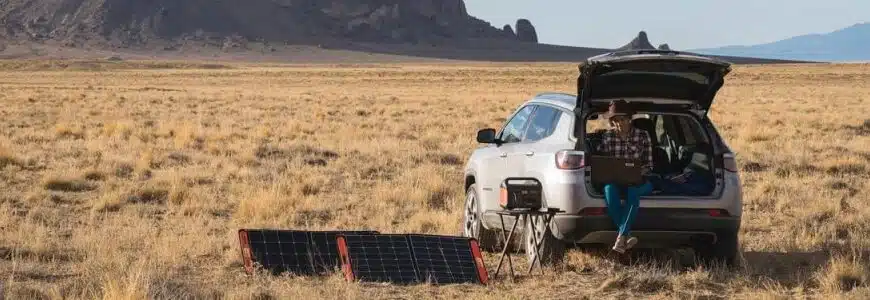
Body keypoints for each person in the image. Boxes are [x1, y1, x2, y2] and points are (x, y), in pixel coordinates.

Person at [596, 100, 654, 253]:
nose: (619, 123)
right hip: (615, 180)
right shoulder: (608, 136)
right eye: (615, 120)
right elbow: (602, 162)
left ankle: (621, 237)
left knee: (633, 192)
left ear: (630, 119)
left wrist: (636, 173)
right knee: (609, 190)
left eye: (622, 119)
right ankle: (625, 237)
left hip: (640, 181)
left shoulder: (643, 136)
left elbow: (649, 165)